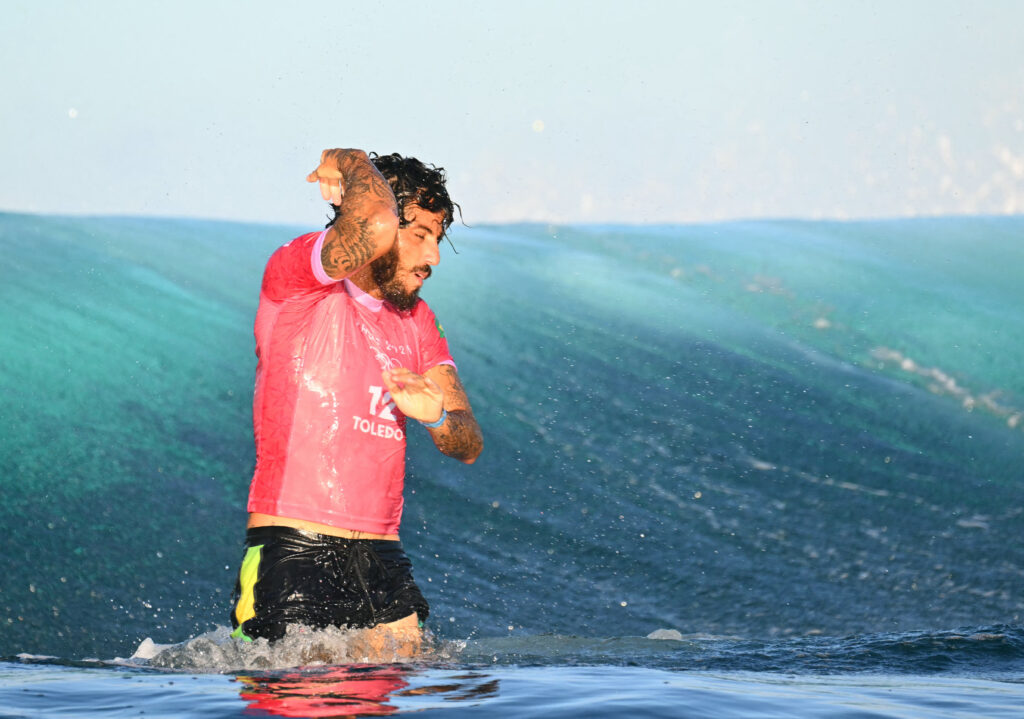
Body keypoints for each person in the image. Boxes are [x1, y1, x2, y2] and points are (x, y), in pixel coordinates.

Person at [230, 148, 483, 650]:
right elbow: (373, 229)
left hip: (382, 558)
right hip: (294, 549)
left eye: (437, 239)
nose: (433, 258)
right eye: (420, 235)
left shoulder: (418, 321)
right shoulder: (296, 280)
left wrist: (436, 417)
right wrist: (347, 159)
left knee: (408, 680)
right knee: (295, 688)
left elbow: (468, 442)